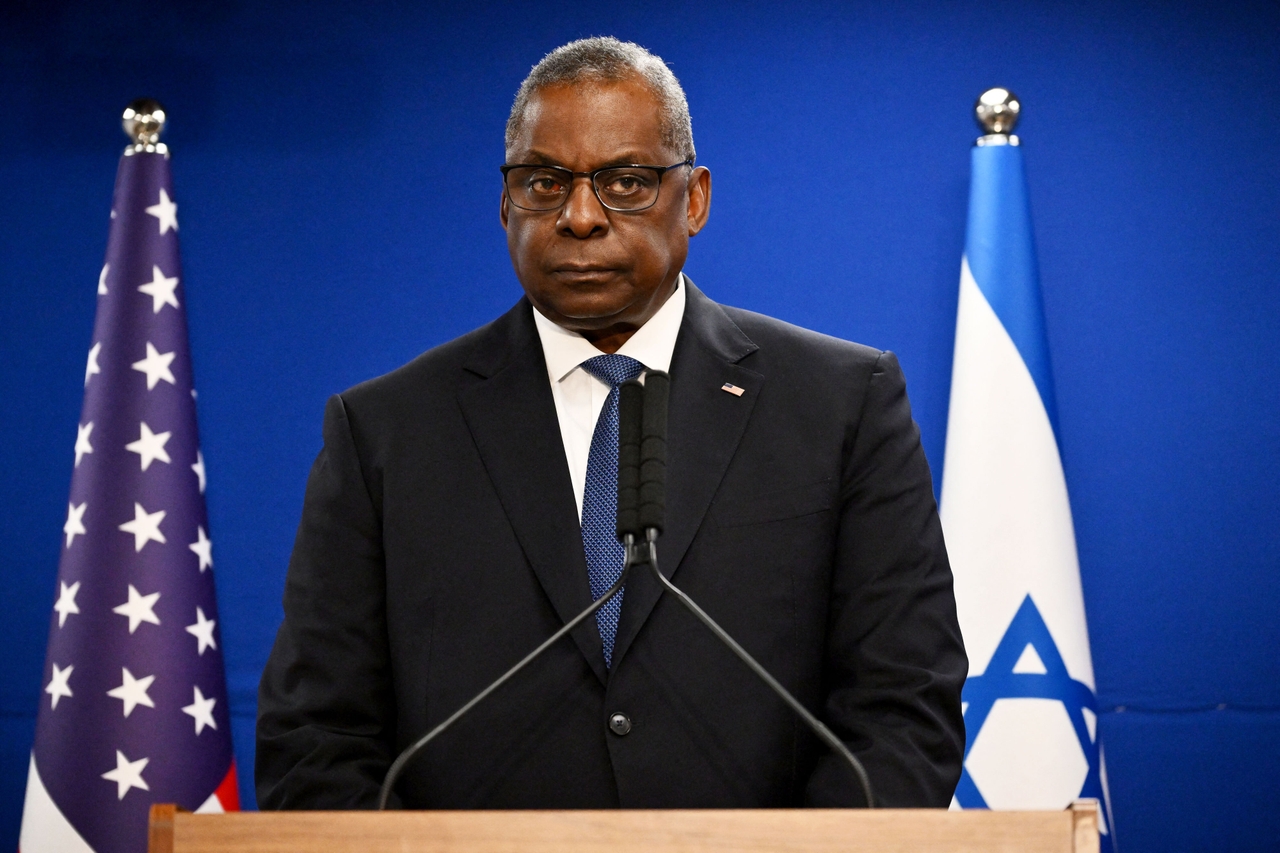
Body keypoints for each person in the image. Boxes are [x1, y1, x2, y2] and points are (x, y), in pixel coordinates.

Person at [256, 36, 966, 810]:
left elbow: (902, 713)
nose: (581, 216)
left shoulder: (841, 405)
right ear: (504, 203)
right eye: (543, 182)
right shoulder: (385, 431)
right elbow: (316, 742)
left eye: (625, 182)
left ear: (693, 198)